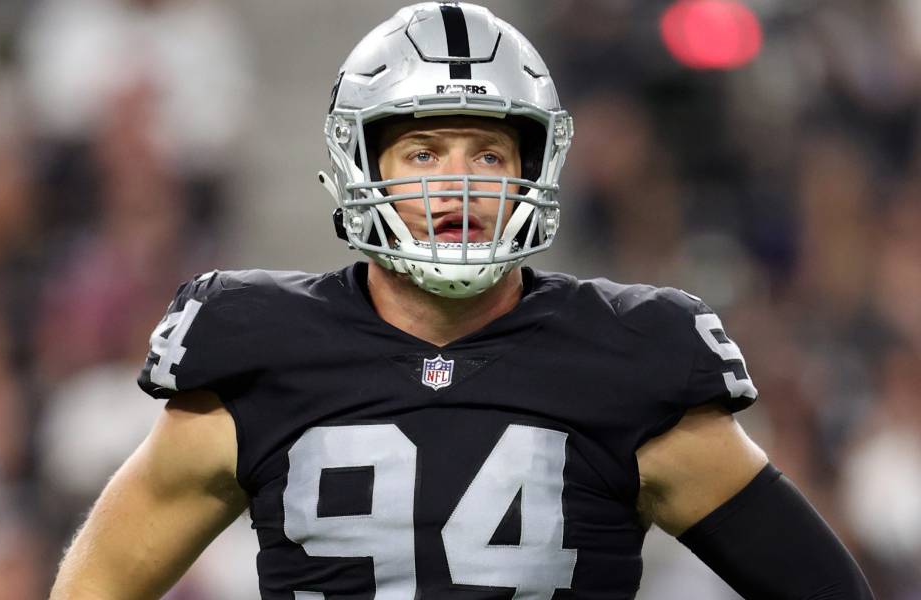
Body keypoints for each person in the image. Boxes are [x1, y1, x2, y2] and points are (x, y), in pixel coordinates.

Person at [50, 3, 873, 598]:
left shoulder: (630, 360)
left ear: (536, 166)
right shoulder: (257, 350)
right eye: (422, 151)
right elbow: (97, 586)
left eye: (488, 152)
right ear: (361, 163)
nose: (458, 182)